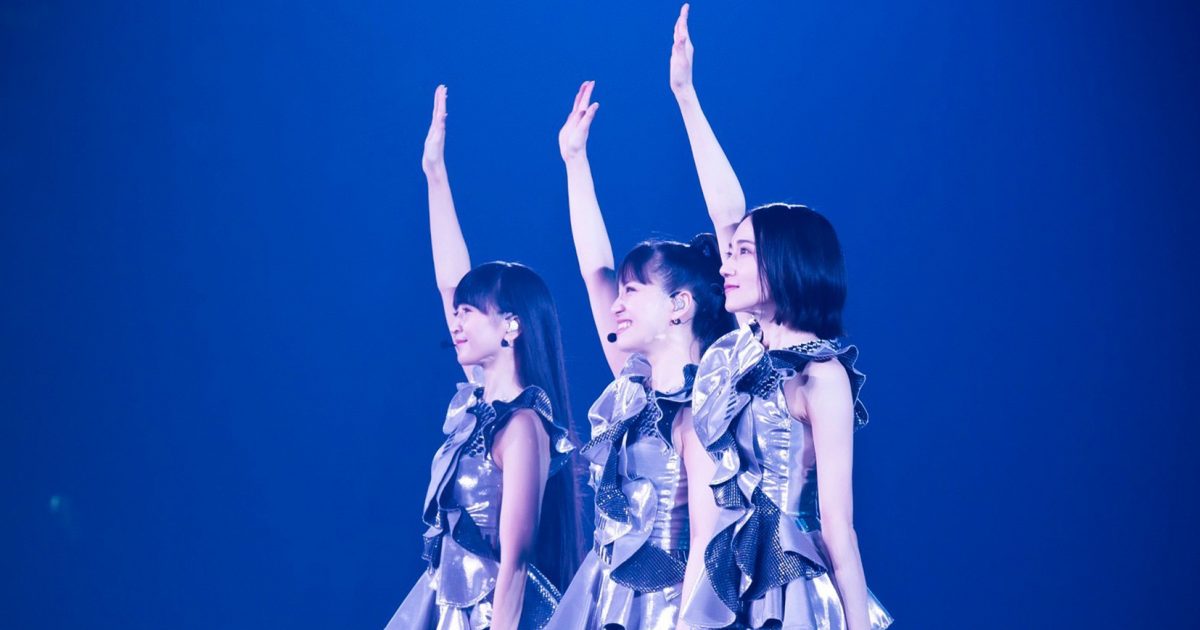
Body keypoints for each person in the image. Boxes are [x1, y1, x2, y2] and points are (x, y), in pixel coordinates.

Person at [384, 85, 583, 630]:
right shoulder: (480, 408)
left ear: (511, 325)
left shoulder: (523, 427)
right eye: (458, 313)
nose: (456, 321)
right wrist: (434, 174)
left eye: (471, 312)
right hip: (448, 605)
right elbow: (450, 282)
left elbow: (515, 563)